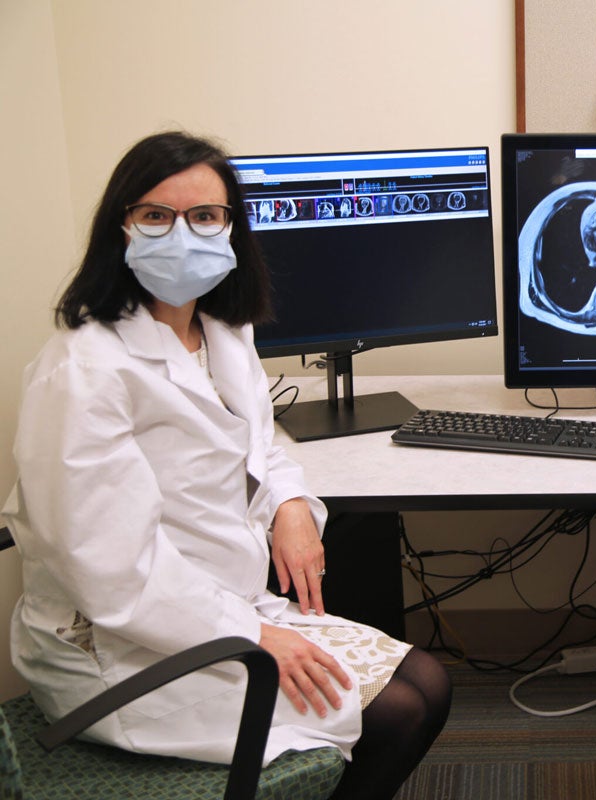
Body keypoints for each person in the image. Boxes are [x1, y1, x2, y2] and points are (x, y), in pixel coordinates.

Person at [2, 131, 451, 800]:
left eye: (205, 217)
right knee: (399, 710)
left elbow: (259, 442)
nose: (182, 235)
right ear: (119, 227)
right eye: (157, 215)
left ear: (231, 230)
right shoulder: (83, 371)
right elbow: (114, 577)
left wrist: (290, 504)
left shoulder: (219, 329)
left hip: (215, 605)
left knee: (431, 683)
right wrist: (256, 634)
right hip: (120, 646)